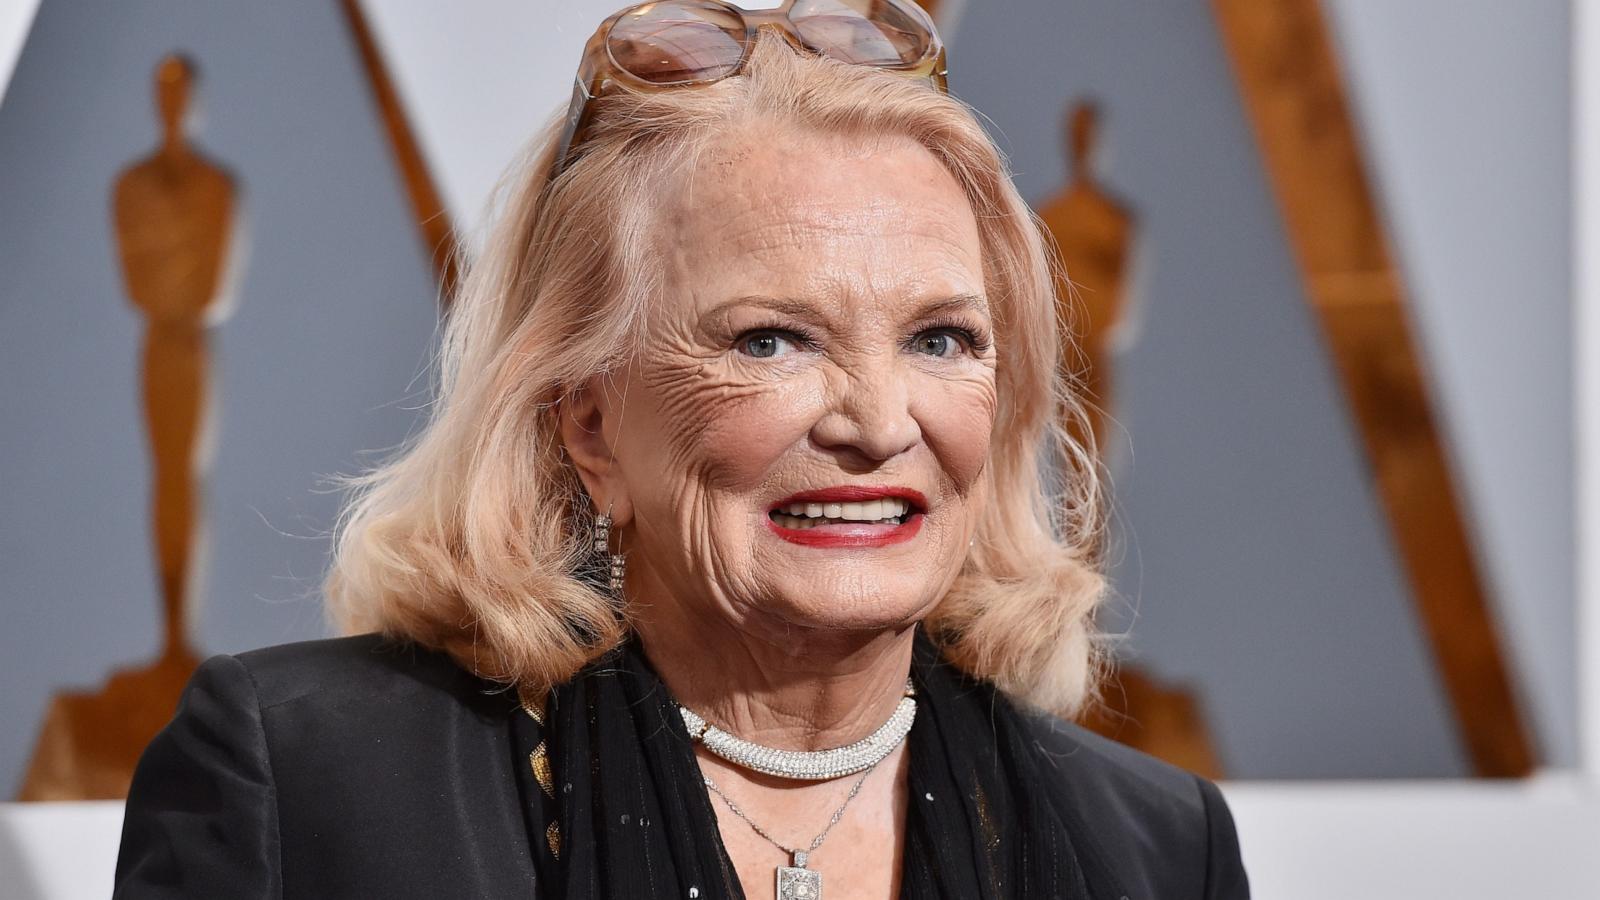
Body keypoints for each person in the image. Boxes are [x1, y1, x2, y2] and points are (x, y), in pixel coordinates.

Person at [113, 2, 1249, 898]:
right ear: (587, 420)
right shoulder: (309, 782)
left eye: (941, 338)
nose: (876, 421)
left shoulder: (1153, 849)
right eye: (771, 340)